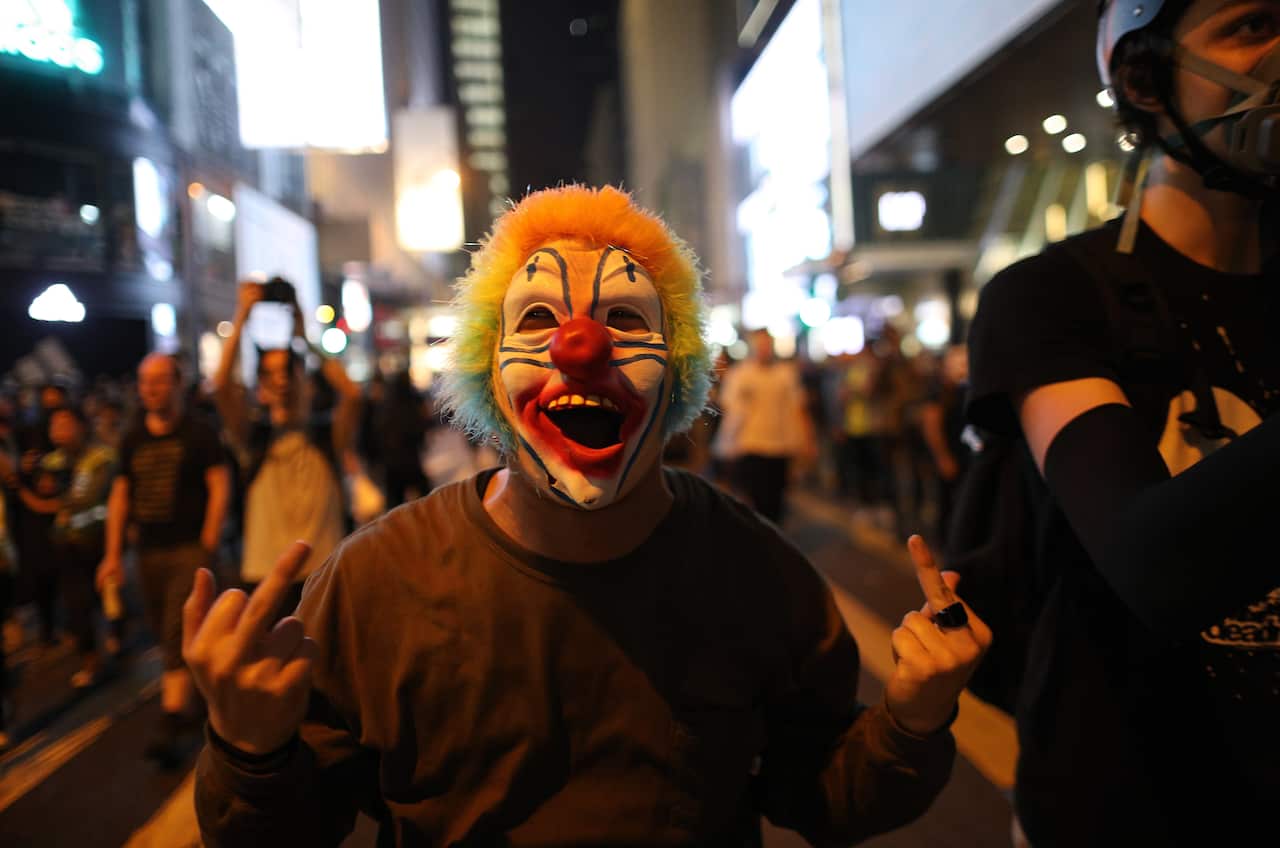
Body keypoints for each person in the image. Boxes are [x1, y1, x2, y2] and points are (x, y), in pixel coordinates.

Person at [185, 185, 992, 846]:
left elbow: (825, 793)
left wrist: (913, 722)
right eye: (536, 319)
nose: (580, 345)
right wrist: (249, 750)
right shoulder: (375, 581)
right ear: (485, 371)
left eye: (626, 321)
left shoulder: (752, 569)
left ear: (678, 377)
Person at [966, 1, 1280, 842]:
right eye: (1253, 23)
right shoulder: (1051, 297)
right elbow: (1156, 563)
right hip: (1128, 807)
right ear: (1143, 79)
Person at [96, 354, 231, 766]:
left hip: (188, 548)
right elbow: (120, 497)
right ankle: (195, 706)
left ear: (176, 384)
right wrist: (113, 553)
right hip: (148, 551)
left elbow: (219, 485)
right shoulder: (132, 437)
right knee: (162, 630)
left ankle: (171, 719)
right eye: (144, 381)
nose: (150, 388)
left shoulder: (200, 433)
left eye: (158, 380)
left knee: (175, 630)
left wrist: (208, 540)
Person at [212, 280, 362, 619]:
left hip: (324, 570)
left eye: (287, 372)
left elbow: (352, 394)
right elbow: (221, 385)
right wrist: (242, 315)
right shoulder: (254, 436)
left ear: (304, 380)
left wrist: (303, 337)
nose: (280, 382)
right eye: (269, 375)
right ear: (260, 386)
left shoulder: (325, 434)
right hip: (265, 575)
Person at [4, 407, 117, 687]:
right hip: (67, 546)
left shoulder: (100, 458)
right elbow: (42, 493)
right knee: (78, 604)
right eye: (55, 424)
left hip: (98, 541)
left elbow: (78, 500)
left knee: (106, 600)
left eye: (66, 423)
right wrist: (23, 476)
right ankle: (92, 658)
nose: (59, 429)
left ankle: (115, 635)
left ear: (81, 426)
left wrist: (32, 490)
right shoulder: (51, 461)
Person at [714, 329, 816, 523]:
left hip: (780, 446)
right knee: (753, 500)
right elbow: (729, 409)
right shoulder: (740, 375)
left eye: (767, 344)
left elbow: (797, 408)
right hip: (750, 445)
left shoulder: (786, 374)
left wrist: (806, 440)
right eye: (760, 345)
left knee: (776, 501)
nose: (764, 349)